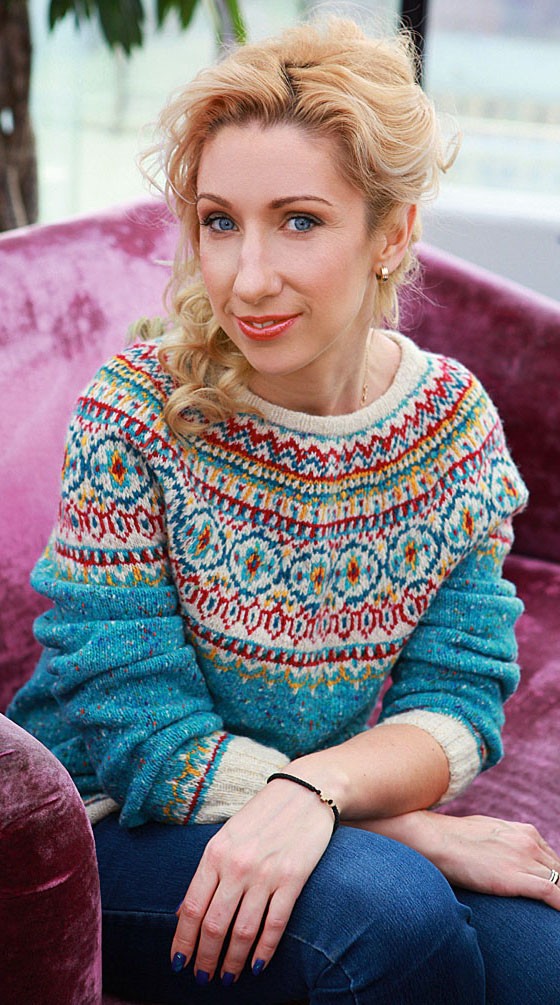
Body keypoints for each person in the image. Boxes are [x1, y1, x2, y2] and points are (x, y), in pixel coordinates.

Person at [7, 15, 560, 1005]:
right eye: (220, 222)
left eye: (299, 221)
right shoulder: (135, 412)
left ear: (392, 234)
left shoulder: (451, 426)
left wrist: (322, 792)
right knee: (391, 915)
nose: (247, 276)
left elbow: (457, 703)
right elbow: (138, 728)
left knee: (540, 951)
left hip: (306, 799)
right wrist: (392, 826)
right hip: (105, 824)